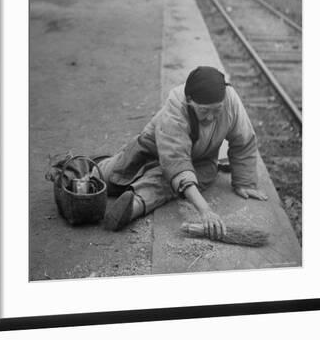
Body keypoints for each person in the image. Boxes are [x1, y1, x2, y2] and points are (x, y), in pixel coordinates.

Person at [98, 66, 268, 233]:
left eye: (217, 110)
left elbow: (243, 141)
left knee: (164, 183)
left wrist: (244, 181)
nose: (210, 117)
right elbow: (176, 162)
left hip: (199, 162)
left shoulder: (229, 100)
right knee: (112, 174)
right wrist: (205, 210)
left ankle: (132, 207)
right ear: (189, 100)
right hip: (150, 149)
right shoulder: (176, 105)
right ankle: (82, 179)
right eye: (204, 111)